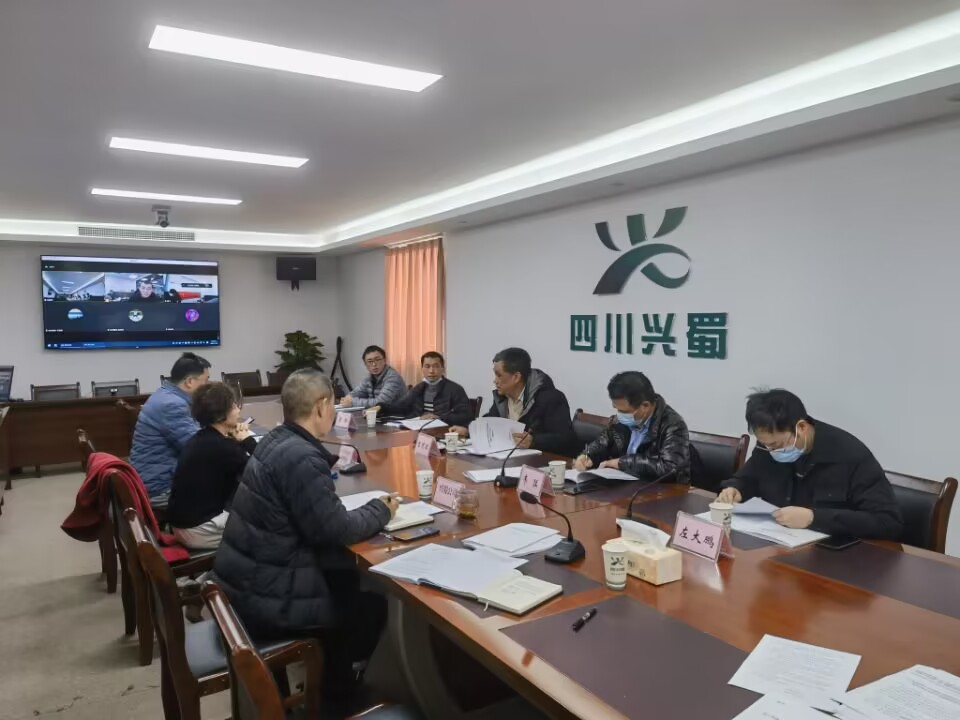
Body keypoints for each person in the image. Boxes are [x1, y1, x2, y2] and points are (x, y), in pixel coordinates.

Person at [212, 370, 400, 707]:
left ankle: (334, 679)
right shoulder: (300, 455)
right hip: (268, 597)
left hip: (248, 580)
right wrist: (380, 510)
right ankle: (338, 698)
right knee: (372, 606)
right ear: (321, 406)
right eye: (333, 406)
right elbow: (334, 530)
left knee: (346, 579)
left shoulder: (277, 440)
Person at [718, 389, 902, 539]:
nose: (771, 451)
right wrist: (736, 489)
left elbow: (887, 522)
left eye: (777, 445)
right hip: (776, 546)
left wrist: (813, 518)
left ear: (802, 427)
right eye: (766, 445)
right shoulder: (769, 446)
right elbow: (748, 477)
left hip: (836, 558)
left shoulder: (850, 456)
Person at [166, 382, 256, 550]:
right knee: (269, 527)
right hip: (199, 530)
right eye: (234, 406)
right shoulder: (223, 447)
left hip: (183, 524)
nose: (238, 409)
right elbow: (263, 470)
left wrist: (235, 440)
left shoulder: (201, 438)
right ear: (222, 414)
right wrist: (247, 441)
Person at [452, 347, 577, 456]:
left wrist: (534, 441)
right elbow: (490, 421)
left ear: (516, 377)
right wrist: (468, 430)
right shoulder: (503, 397)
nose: (495, 381)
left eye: (499, 375)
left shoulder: (550, 399)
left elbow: (566, 439)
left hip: (541, 465)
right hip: (509, 460)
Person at [574, 371, 691, 483]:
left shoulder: (673, 425)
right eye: (617, 409)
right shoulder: (621, 420)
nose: (619, 415)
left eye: (623, 411)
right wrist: (588, 455)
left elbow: (669, 468)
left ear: (645, 406)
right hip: (624, 485)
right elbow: (602, 442)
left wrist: (621, 463)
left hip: (659, 491)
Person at [130, 353, 210, 505]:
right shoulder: (173, 405)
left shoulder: (165, 394)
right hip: (161, 488)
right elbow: (198, 450)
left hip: (151, 478)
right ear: (190, 381)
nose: (208, 386)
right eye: (206, 380)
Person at [375, 351, 473, 427]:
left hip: (444, 431)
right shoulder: (419, 387)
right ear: (422, 368)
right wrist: (380, 407)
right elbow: (401, 406)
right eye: (427, 366)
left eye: (436, 366)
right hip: (419, 429)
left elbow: (466, 416)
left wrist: (439, 417)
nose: (431, 371)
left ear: (443, 369)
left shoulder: (455, 389)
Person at [340, 345, 406, 409]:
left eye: (377, 360)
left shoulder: (393, 377)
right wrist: (347, 398)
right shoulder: (369, 378)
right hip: (381, 414)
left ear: (385, 360)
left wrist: (353, 402)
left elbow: (381, 403)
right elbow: (357, 392)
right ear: (365, 364)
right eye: (370, 361)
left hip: (399, 414)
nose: (374, 364)